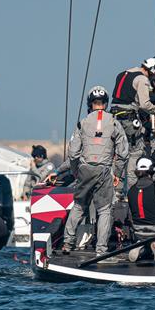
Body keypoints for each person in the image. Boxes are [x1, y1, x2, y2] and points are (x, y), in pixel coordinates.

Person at [61, 86, 129, 262]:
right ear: (105, 104)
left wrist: (76, 171)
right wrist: (118, 175)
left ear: (90, 104)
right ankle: (101, 250)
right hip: (104, 169)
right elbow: (123, 153)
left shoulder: (82, 123)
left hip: (85, 168)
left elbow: (73, 152)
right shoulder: (114, 122)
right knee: (105, 210)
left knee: (79, 205)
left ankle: (67, 243)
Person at [110, 57, 155, 195]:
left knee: (118, 155)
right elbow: (144, 104)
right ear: (153, 71)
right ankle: (133, 195)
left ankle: (116, 194)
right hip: (129, 121)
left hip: (114, 120)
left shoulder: (122, 74)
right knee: (135, 154)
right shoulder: (142, 79)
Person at [127, 157, 155, 263]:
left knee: (143, 238)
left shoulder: (131, 190)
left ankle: (139, 246)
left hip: (137, 230)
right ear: (152, 170)